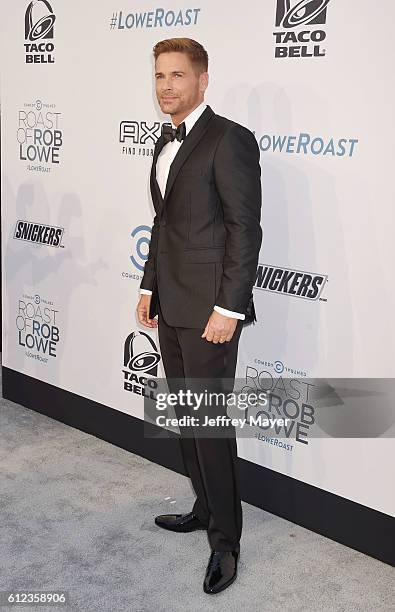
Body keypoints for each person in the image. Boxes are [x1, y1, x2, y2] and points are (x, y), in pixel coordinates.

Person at [136, 37, 262, 594]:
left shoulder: (229, 139)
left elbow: (243, 230)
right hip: (172, 302)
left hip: (211, 311)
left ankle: (227, 543)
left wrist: (229, 308)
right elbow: (166, 226)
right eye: (160, 76)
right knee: (187, 418)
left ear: (203, 80)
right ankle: (205, 508)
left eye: (178, 76)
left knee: (210, 426)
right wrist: (148, 287)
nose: (167, 86)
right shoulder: (163, 138)